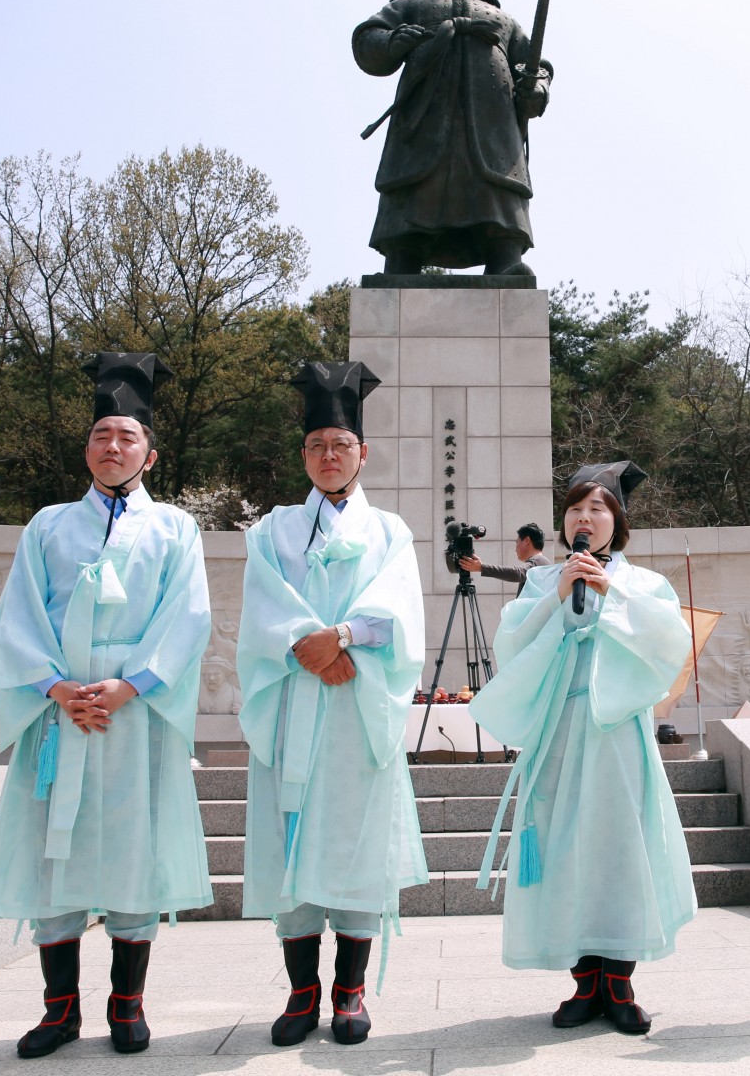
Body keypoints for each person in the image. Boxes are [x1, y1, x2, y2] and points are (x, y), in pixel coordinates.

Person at [0, 353, 213, 1058]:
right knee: (57, 854)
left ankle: (128, 1005)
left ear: (150, 453)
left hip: (133, 712)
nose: (114, 446)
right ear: (87, 449)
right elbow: (16, 616)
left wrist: (130, 685)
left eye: (126, 436)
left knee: (134, 850)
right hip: (61, 710)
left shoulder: (174, 529)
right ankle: (59, 1010)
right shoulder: (47, 525)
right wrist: (55, 687)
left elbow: (187, 618)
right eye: (103, 434)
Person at [235, 360, 427, 1047]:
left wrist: (341, 638)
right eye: (316, 445)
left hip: (355, 706)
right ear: (303, 455)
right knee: (292, 847)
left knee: (354, 843)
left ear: (363, 454)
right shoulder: (274, 531)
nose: (327, 456)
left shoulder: (389, 532)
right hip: (294, 702)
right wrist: (305, 645)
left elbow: (400, 613)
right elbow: (263, 609)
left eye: (339, 446)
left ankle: (350, 993)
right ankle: (300, 993)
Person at [468, 462, 695, 1035]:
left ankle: (619, 979)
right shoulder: (543, 580)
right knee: (565, 845)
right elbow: (513, 645)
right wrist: (559, 595)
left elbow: (671, 643)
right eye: (575, 511)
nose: (584, 519)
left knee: (618, 845)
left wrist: (609, 595)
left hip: (616, 732)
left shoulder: (642, 583)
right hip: (561, 731)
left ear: (615, 522)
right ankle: (582, 979)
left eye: (597, 510)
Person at [352, 0, 552, 277]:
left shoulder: (500, 18)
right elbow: (366, 38)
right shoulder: (412, 5)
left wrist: (536, 88)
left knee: (495, 200)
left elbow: (535, 63)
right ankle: (401, 262)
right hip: (424, 121)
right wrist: (394, 41)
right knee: (413, 202)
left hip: (491, 127)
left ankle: (505, 262)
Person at [455, 522, 548, 583]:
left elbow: (517, 573)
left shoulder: (538, 561)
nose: (515, 548)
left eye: (517, 542)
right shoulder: (541, 563)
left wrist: (481, 567)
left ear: (527, 540)